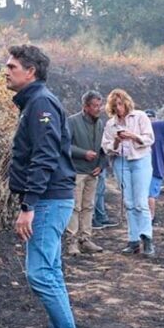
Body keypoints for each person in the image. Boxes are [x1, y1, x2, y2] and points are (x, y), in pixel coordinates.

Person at [4, 45, 89, 328]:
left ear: (31, 72)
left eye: (12, 66)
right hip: (51, 199)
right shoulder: (36, 102)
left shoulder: (40, 103)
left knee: (40, 274)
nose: (6, 70)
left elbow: (45, 156)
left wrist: (29, 205)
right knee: (50, 273)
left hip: (49, 200)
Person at [101, 90, 156, 256]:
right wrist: (117, 141)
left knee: (140, 201)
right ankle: (133, 240)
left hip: (140, 160)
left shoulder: (140, 116)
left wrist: (133, 136)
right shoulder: (111, 124)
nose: (119, 108)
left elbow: (149, 138)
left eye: (120, 104)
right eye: (115, 105)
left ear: (126, 103)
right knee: (129, 202)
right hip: (121, 162)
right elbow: (106, 147)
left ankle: (147, 239)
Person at [65, 91, 107, 255]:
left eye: (99, 105)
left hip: (93, 172)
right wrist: (83, 153)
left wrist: (101, 165)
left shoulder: (100, 124)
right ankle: (72, 242)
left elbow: (104, 147)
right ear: (85, 107)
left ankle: (86, 239)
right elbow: (64, 146)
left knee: (89, 206)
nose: (98, 109)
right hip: (76, 171)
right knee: (75, 207)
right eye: (95, 106)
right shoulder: (72, 121)